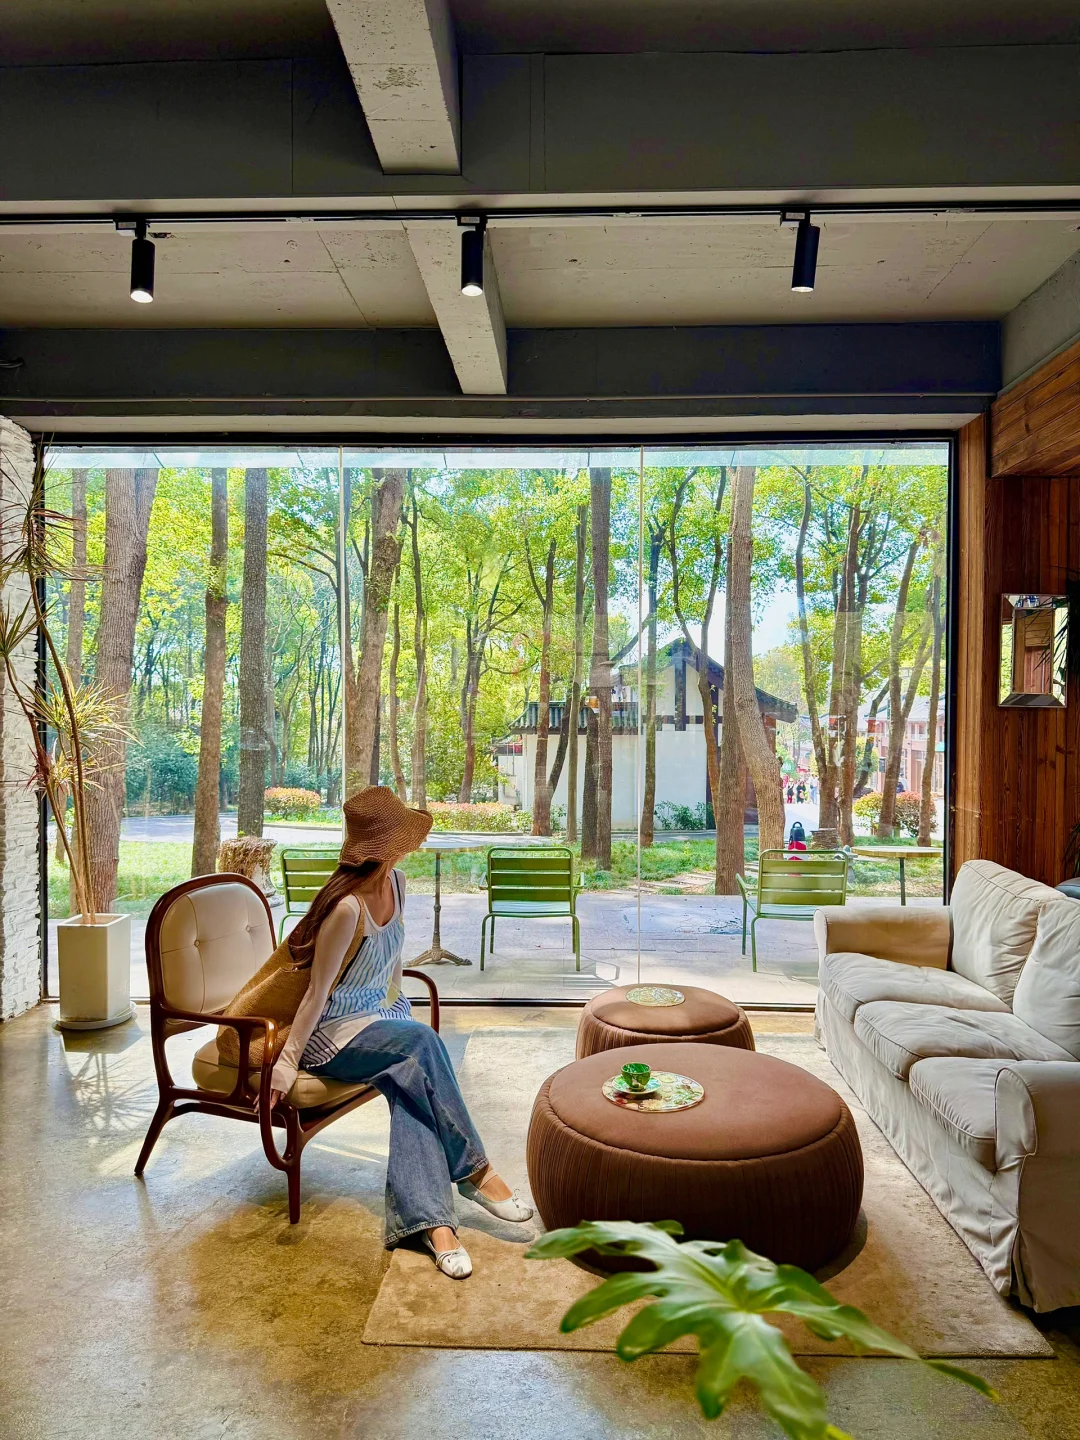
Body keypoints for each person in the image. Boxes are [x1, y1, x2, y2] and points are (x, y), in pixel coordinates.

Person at [259, 786, 532, 1280]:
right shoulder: (346, 909)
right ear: (387, 847)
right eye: (403, 838)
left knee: (412, 1081)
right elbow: (317, 993)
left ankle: (432, 1225)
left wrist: (397, 1014)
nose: (410, 847)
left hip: (379, 1019)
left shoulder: (399, 885)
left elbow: (391, 965)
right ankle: (476, 1171)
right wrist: (286, 1063)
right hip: (333, 1037)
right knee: (422, 1044)